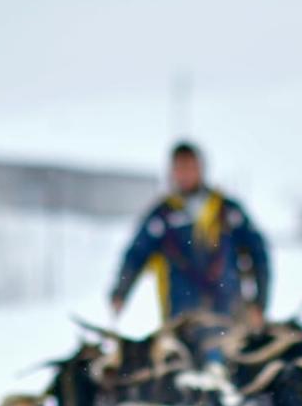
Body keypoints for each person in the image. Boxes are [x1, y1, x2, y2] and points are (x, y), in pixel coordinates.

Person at [109, 142, 270, 345]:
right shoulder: (162, 216)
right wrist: (120, 293)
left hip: (228, 317)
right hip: (181, 321)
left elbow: (258, 252)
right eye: (180, 168)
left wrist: (259, 302)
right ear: (172, 172)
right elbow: (135, 255)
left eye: (190, 167)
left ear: (201, 168)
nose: (185, 174)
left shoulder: (227, 211)